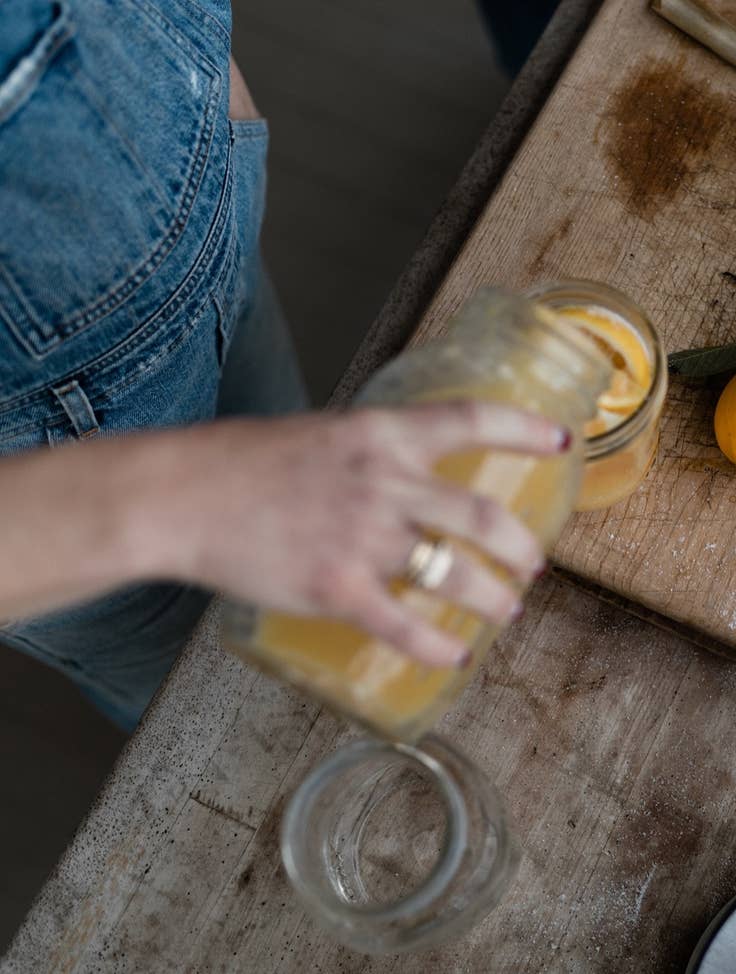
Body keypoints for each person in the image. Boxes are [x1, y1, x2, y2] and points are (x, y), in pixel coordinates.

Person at [0, 0, 559, 730]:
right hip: (64, 465)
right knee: (214, 700)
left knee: (310, 498)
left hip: (202, 188)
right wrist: (186, 502)